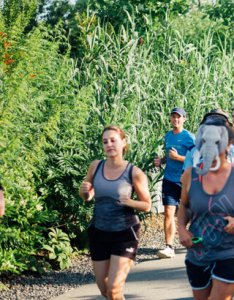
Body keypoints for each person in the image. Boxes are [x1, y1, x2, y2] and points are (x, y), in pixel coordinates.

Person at [177, 116, 234, 300]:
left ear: (227, 144)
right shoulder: (190, 175)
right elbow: (184, 205)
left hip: (229, 251)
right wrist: (182, 229)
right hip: (198, 252)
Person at [79, 125, 152, 299]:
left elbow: (147, 205)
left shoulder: (134, 172)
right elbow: (87, 196)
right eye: (105, 142)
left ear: (123, 143)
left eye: (113, 140)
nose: (109, 144)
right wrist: (84, 191)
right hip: (99, 231)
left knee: (114, 288)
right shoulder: (95, 166)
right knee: (104, 288)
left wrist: (130, 202)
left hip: (125, 232)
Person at [155, 107, 196, 259]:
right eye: (173, 117)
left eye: (178, 117)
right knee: (168, 212)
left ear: (184, 119)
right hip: (169, 179)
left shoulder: (189, 137)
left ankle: (195, 237)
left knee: (192, 213)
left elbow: (196, 158)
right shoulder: (168, 136)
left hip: (185, 180)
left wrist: (178, 157)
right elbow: (169, 155)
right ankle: (169, 247)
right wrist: (162, 161)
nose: (175, 119)